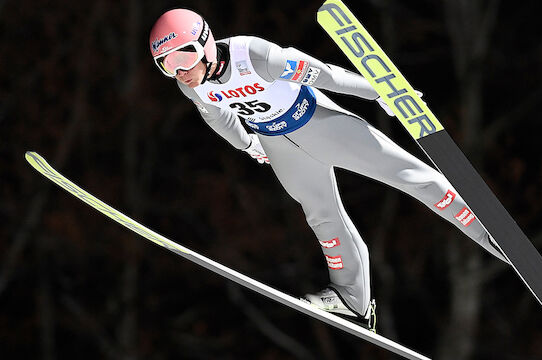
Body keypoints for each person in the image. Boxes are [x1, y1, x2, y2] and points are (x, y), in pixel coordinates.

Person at [149, 8, 509, 331]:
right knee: (322, 218)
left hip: (320, 124)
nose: (180, 70)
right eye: (166, 64)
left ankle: (490, 232)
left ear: (206, 44)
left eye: (185, 56)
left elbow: (325, 75)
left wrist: (380, 93)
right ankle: (352, 300)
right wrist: (247, 144)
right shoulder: (190, 86)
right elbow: (218, 116)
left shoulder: (255, 55)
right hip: (279, 144)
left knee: (409, 175)